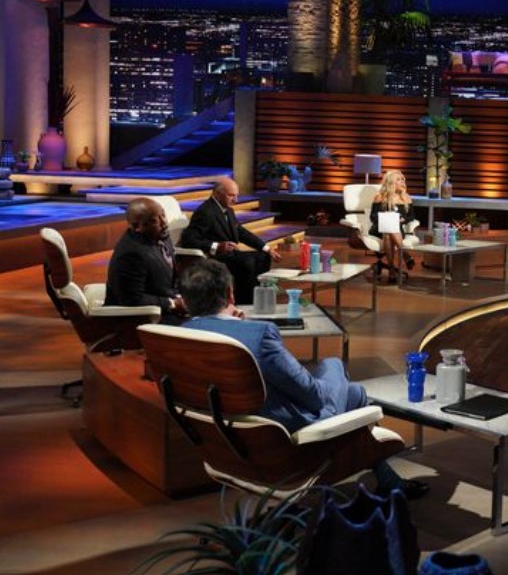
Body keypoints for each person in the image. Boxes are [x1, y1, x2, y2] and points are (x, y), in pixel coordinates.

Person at [178, 259, 428, 498]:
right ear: (230, 294)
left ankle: (389, 480)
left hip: (226, 441)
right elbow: (314, 397)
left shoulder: (180, 336)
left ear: (186, 302)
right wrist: (246, 326)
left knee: (349, 391)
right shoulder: (258, 336)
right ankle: (387, 481)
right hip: (283, 442)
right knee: (339, 372)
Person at [181, 178, 281, 304]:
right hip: (215, 257)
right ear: (217, 194)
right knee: (248, 262)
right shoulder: (205, 212)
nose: (235, 200)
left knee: (264, 256)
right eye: (231, 195)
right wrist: (217, 246)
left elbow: (241, 232)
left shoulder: (228, 210)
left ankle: (258, 297)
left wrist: (266, 248)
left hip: (231, 254)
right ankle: (244, 301)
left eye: (236, 196)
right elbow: (188, 240)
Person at [105, 197, 188, 325]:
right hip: (142, 319)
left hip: (168, 306)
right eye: (154, 220)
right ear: (136, 226)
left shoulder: (162, 236)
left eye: (163, 215)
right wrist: (172, 303)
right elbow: (132, 300)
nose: (164, 223)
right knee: (201, 328)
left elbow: (170, 281)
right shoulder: (130, 254)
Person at [368, 170, 416, 281]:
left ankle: (391, 270)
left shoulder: (406, 198)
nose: (402, 181)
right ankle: (405, 254)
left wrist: (403, 220)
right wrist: (385, 218)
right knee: (387, 228)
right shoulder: (380, 197)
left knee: (388, 233)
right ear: (391, 182)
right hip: (378, 228)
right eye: (398, 179)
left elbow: (411, 217)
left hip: (397, 229)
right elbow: (372, 217)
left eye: (403, 179)